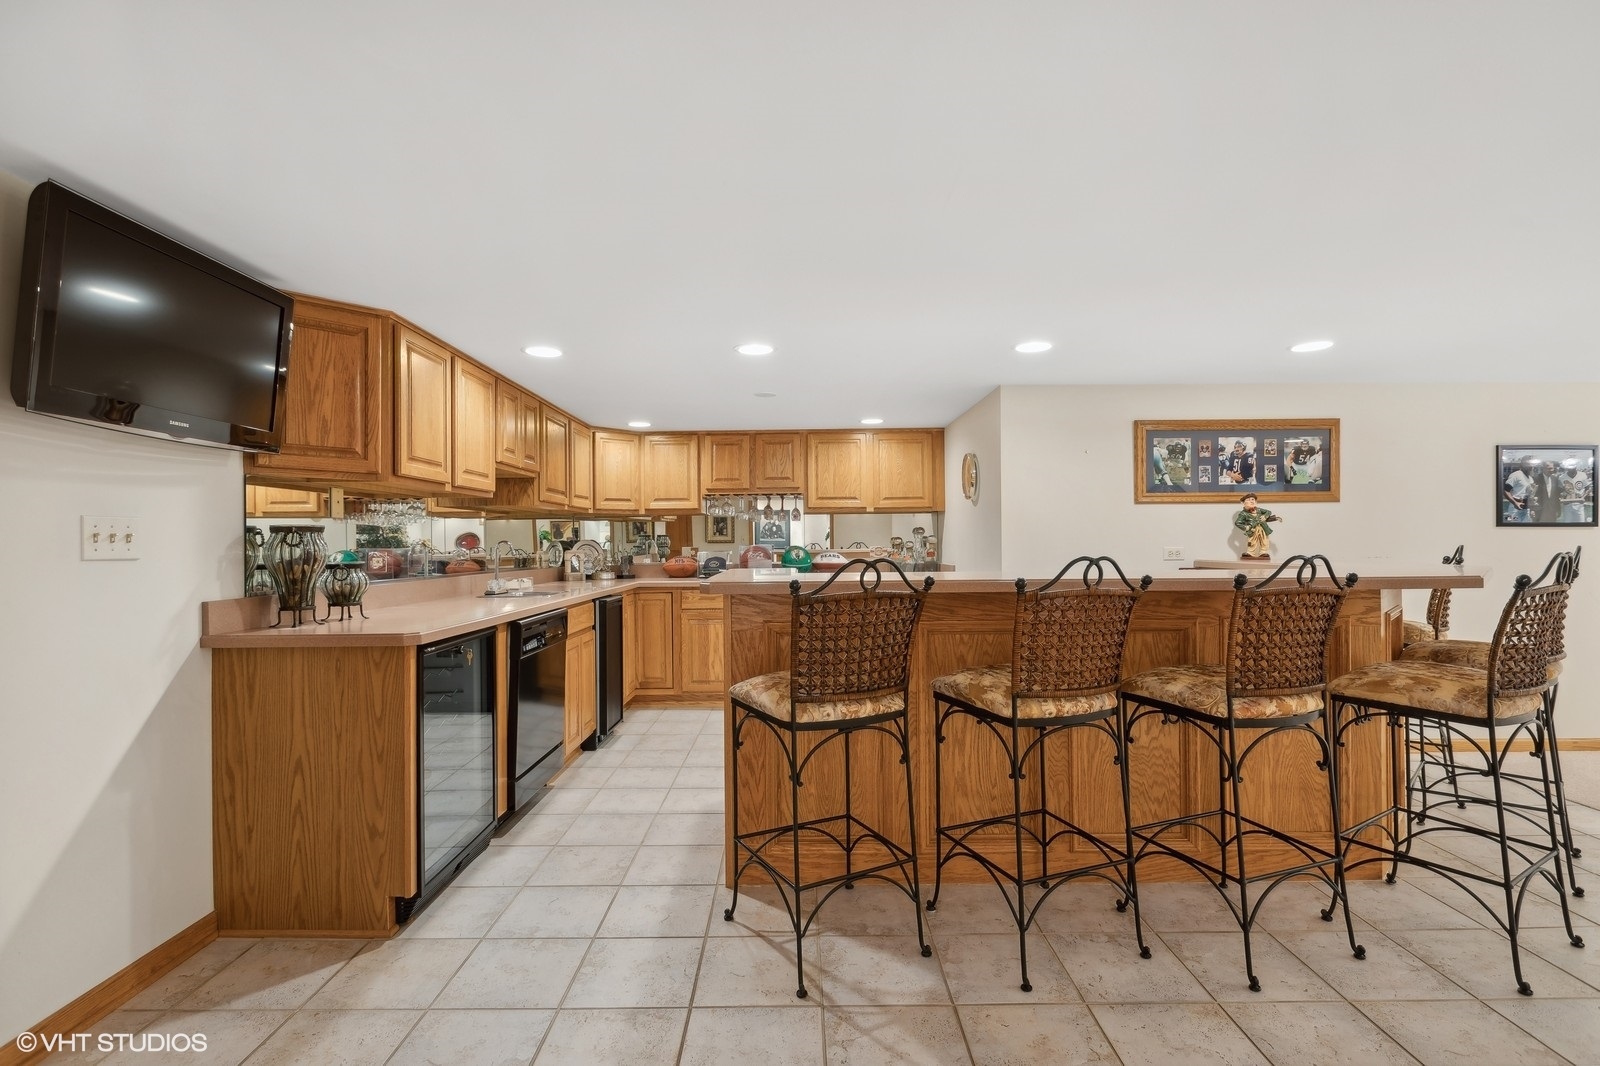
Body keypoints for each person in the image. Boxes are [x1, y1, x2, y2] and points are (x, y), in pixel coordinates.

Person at [1233, 493, 1283, 558]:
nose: (1251, 501)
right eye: (1248, 500)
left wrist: (1265, 516)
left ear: (1256, 502)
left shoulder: (1259, 510)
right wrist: (1246, 527)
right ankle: (1250, 552)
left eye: (1253, 499)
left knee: (1264, 540)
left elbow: (1268, 512)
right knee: (1252, 541)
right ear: (1243, 503)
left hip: (1263, 528)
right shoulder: (1243, 514)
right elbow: (1238, 522)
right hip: (1252, 530)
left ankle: (1263, 552)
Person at [1502, 455, 1537, 523]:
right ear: (1523, 464)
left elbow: (1530, 495)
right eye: (1528, 464)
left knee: (1526, 531)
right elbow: (1506, 491)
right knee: (1514, 530)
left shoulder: (1530, 478)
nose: (1531, 466)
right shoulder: (1516, 475)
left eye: (1532, 464)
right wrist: (1515, 503)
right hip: (1514, 510)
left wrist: (1532, 509)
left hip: (1526, 510)